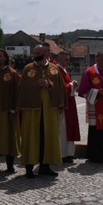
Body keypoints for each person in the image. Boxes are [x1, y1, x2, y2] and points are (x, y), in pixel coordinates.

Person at [17, 45, 66, 177]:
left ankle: (45, 166)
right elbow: (23, 87)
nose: (36, 54)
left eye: (39, 52)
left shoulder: (54, 69)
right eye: (35, 52)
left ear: (46, 54)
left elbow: (60, 87)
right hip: (33, 109)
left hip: (49, 110)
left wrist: (49, 85)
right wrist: (36, 85)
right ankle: (29, 166)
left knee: (48, 136)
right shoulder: (28, 68)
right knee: (31, 136)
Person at [0, 49, 20, 173]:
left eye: (0, 56)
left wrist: (13, 110)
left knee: (8, 137)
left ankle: (9, 165)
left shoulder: (12, 73)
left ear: (6, 58)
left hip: (6, 111)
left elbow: (16, 93)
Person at [56, 51, 80, 163]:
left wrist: (71, 85)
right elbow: (59, 89)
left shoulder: (64, 71)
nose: (68, 61)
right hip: (63, 106)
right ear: (59, 59)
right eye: (66, 59)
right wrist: (71, 85)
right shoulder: (57, 70)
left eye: (68, 59)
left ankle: (69, 153)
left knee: (69, 128)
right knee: (63, 129)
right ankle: (62, 154)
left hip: (69, 103)